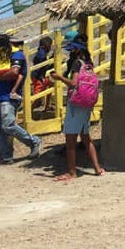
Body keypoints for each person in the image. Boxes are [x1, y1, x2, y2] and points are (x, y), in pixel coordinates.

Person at [49, 31, 104, 181]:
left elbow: (73, 83)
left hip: (76, 104)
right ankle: (97, 169)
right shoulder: (88, 64)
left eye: (72, 48)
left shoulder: (76, 63)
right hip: (87, 105)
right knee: (86, 138)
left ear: (76, 48)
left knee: (71, 140)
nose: (70, 51)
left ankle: (72, 172)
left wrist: (59, 77)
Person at [0, 33, 41, 165]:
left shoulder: (17, 56)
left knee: (7, 124)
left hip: (9, 96)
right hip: (1, 95)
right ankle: (6, 156)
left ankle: (33, 141)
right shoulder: (7, 56)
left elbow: (14, 73)